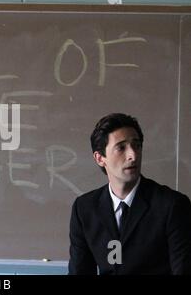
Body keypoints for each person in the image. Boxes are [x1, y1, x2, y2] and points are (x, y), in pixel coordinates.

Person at [68, 113, 191, 275]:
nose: (133, 155)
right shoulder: (84, 209)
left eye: (137, 145)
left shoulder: (171, 206)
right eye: (121, 147)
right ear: (100, 158)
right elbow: (79, 271)